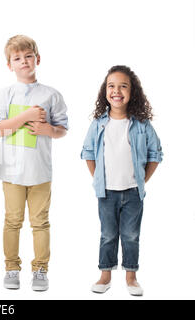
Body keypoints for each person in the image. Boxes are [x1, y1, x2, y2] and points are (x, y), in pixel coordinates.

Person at [0, 35, 68, 291]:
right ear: (9, 64)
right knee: (12, 220)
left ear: (38, 58)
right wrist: (25, 116)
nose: (23, 61)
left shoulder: (51, 94)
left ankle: (40, 270)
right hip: (12, 171)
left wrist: (48, 130)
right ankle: (11, 268)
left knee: (40, 222)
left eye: (28, 56)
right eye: (17, 58)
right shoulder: (5, 94)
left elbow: (62, 129)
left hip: (40, 171)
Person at [81, 65, 163, 296]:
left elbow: (155, 154)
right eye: (111, 86)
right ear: (105, 91)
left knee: (131, 235)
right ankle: (105, 274)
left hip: (133, 192)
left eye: (123, 86)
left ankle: (131, 276)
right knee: (108, 234)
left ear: (132, 92)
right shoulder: (98, 124)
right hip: (106, 192)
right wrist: (98, 179)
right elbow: (88, 153)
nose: (117, 91)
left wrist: (142, 180)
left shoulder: (142, 125)